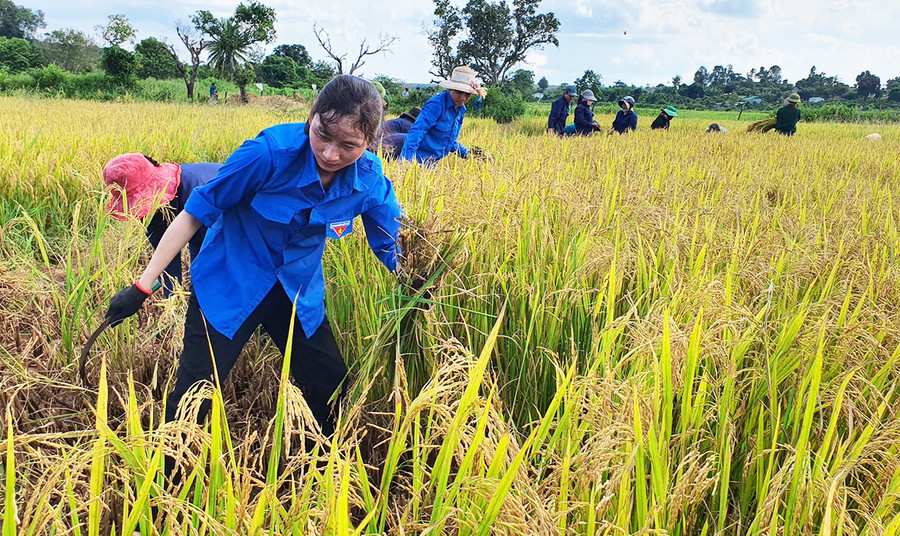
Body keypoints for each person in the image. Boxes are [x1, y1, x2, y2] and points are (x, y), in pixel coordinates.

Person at [104, 75, 403, 446]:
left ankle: (327, 463)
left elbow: (393, 244)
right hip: (229, 283)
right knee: (193, 398)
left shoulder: (370, 181)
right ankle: (169, 471)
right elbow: (194, 214)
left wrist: (419, 277)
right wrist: (142, 285)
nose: (330, 154)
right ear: (311, 116)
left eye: (348, 146)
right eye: (323, 135)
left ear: (369, 142)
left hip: (297, 292)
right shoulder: (267, 154)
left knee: (330, 389)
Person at [104, 154, 221, 297]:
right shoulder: (147, 212)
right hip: (203, 220)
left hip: (227, 218)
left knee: (203, 280)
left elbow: (206, 260)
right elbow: (166, 258)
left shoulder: (198, 193)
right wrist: (166, 298)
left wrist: (194, 298)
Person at [399, 66, 486, 165]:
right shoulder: (436, 105)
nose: (463, 98)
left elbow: (449, 141)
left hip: (433, 162)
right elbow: (417, 131)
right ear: (451, 89)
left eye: (467, 94)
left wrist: (470, 155)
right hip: (419, 160)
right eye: (459, 92)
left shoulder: (460, 110)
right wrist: (406, 162)